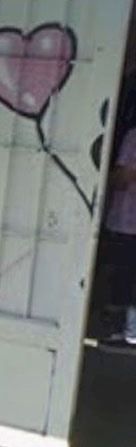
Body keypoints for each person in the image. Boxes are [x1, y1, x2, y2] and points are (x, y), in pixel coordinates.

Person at [105, 108, 136, 343]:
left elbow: (123, 177)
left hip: (129, 220)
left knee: (126, 276)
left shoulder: (134, 136)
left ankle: (129, 332)